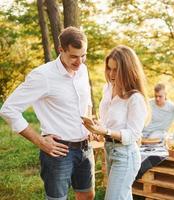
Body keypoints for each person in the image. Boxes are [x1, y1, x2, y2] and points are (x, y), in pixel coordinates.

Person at [0, 27, 95, 200]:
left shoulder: (82, 70)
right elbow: (8, 109)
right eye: (74, 56)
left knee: (87, 195)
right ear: (61, 50)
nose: (79, 62)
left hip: (86, 148)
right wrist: (39, 141)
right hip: (59, 151)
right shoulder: (42, 76)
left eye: (83, 55)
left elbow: (86, 102)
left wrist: (91, 126)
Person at [82, 45, 148, 200]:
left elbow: (133, 135)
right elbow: (107, 121)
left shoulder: (135, 98)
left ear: (127, 70)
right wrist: (96, 129)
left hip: (126, 155)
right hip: (110, 150)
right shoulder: (107, 88)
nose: (111, 74)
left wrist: (105, 131)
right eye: (109, 69)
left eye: (116, 70)